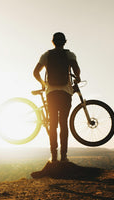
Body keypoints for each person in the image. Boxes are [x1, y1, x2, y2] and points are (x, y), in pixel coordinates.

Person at [33, 32, 81, 162]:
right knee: (63, 124)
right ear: (65, 42)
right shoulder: (69, 54)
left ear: (52, 42)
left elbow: (35, 72)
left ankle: (54, 156)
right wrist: (78, 77)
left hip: (51, 94)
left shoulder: (46, 55)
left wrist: (44, 84)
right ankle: (64, 157)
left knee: (53, 124)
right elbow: (76, 70)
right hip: (66, 93)